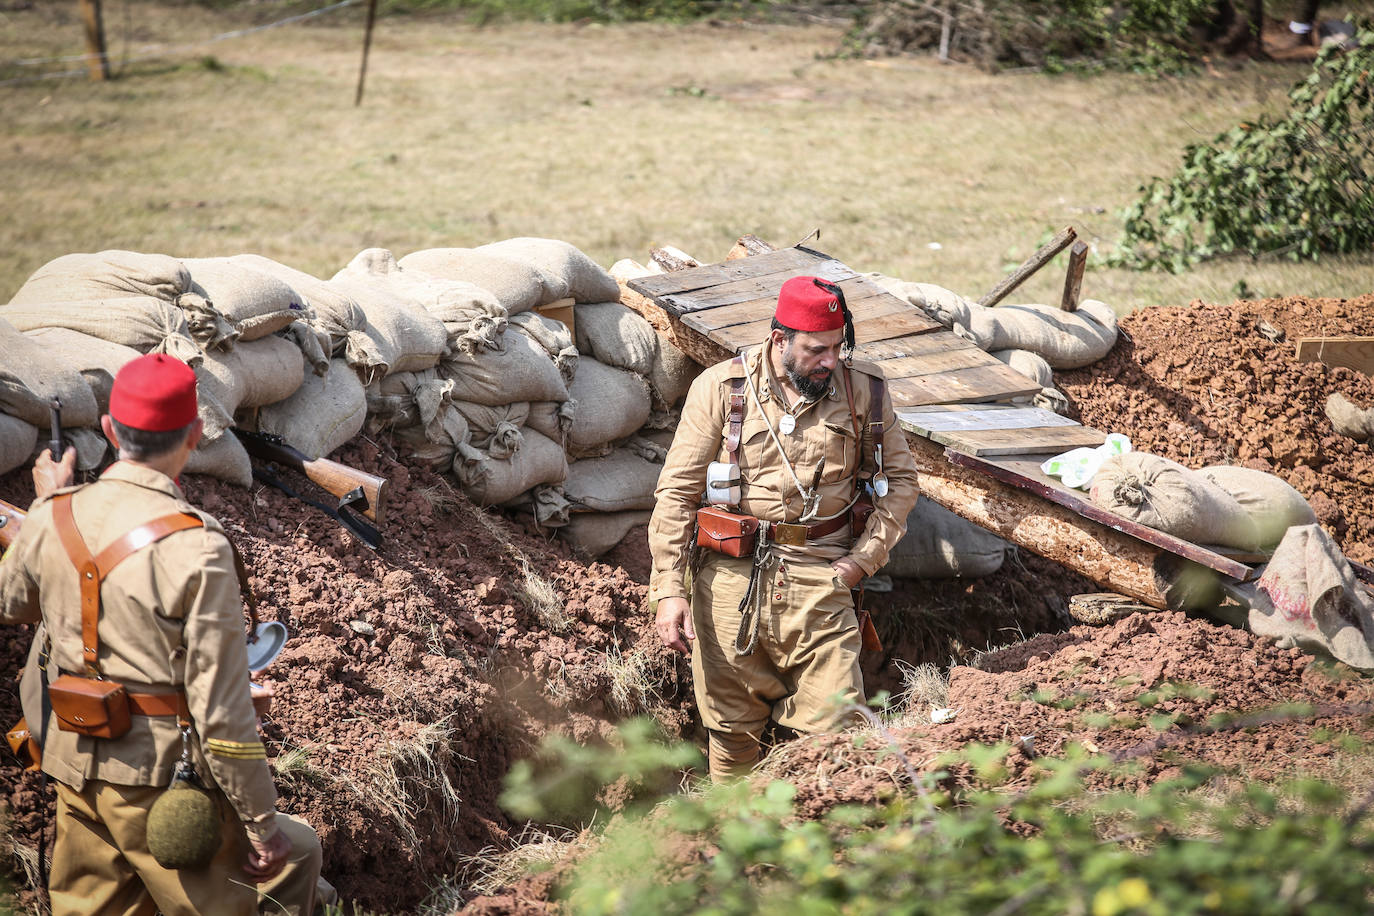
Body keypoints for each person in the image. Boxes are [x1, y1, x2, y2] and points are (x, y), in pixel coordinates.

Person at [0, 353, 326, 916]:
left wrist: (45, 504)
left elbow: (14, 604)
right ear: (196, 435)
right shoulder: (197, 546)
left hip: (70, 760)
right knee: (295, 859)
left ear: (108, 431)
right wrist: (262, 824)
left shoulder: (56, 510)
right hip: (157, 781)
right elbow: (222, 712)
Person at [648, 276, 921, 780]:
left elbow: (901, 483)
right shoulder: (721, 387)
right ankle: (733, 843)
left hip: (825, 581)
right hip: (730, 582)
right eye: (817, 349)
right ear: (779, 339)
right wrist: (669, 589)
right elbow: (677, 492)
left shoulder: (864, 391)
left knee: (840, 733)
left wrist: (862, 562)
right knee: (731, 733)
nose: (830, 361)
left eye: (839, 348)